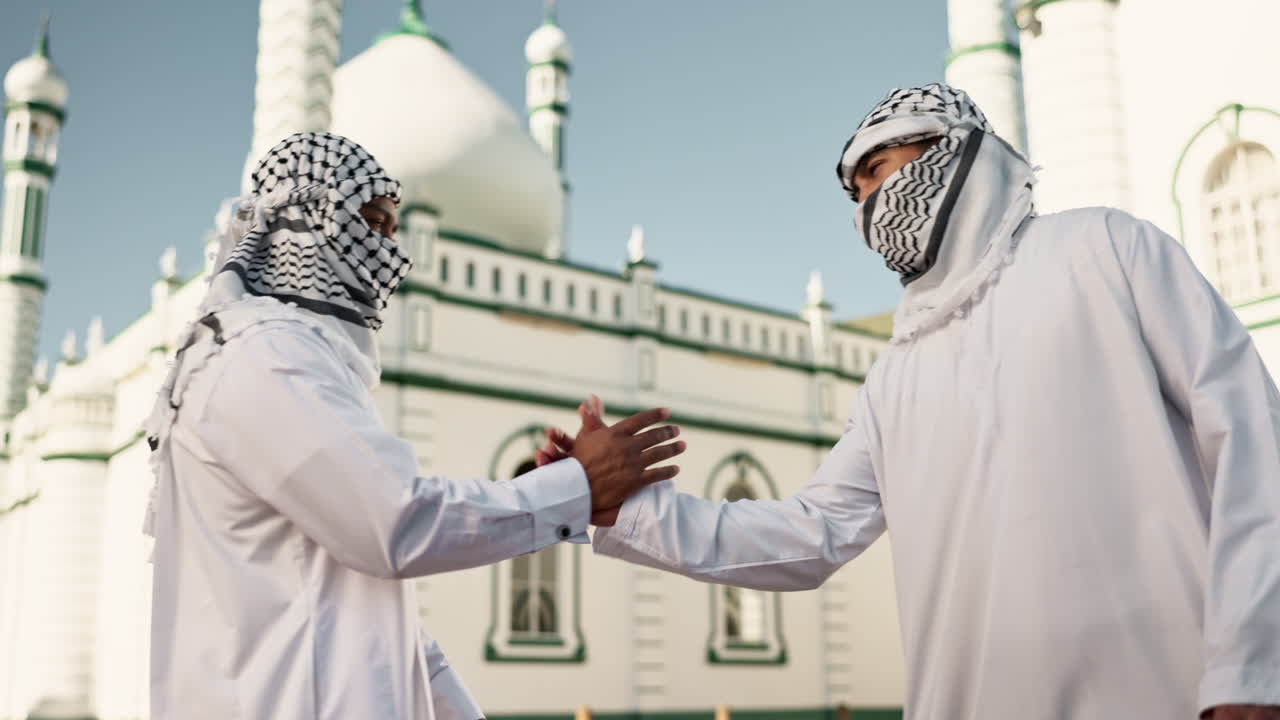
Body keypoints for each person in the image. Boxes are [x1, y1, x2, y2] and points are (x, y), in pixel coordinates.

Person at [538, 85, 1280, 719]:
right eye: (855, 191)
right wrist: (615, 505)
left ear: (954, 152)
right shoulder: (895, 376)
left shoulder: (1106, 250)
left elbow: (1250, 434)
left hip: (1170, 693)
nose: (869, 204)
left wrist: (1251, 664)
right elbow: (812, 533)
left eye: (880, 170)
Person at [141, 132, 686, 720]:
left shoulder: (301, 360)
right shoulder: (264, 358)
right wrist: (579, 486)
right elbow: (394, 522)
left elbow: (381, 628)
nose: (389, 253)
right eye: (371, 223)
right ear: (307, 219)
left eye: (393, 230)